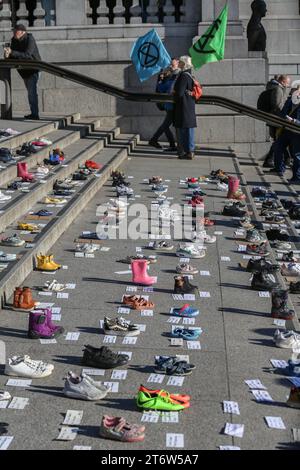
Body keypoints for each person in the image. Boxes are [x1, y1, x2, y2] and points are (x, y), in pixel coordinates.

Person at [4, 24, 41, 120]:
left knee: (32, 93)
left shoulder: (30, 39)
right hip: (24, 71)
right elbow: (14, 56)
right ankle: (33, 113)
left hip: (33, 69)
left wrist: (12, 52)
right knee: (30, 92)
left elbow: (27, 55)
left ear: (22, 32)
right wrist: (7, 54)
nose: (13, 32)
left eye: (15, 31)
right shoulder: (14, 40)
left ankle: (35, 114)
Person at [149, 58, 180, 152]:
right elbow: (161, 88)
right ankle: (170, 144)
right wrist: (161, 79)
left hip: (173, 103)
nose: (170, 64)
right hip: (168, 103)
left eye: (173, 62)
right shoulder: (168, 73)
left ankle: (155, 140)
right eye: (170, 63)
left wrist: (163, 80)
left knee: (166, 124)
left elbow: (167, 87)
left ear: (178, 63)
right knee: (166, 124)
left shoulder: (177, 74)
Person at [261, 74, 291, 167]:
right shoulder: (278, 89)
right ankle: (270, 160)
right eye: (287, 83)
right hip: (276, 119)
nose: (288, 85)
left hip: (274, 119)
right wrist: (287, 111)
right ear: (282, 82)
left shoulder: (277, 88)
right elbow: (277, 105)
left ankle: (285, 159)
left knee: (279, 140)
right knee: (279, 140)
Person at [272, 86, 300, 182]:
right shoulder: (289, 101)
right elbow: (283, 113)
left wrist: (294, 121)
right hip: (286, 130)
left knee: (297, 155)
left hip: (297, 132)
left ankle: (297, 177)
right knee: (277, 146)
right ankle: (279, 168)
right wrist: (283, 116)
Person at [173, 55, 197, 160]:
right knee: (189, 129)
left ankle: (184, 152)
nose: (179, 64)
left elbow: (180, 92)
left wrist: (174, 91)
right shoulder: (190, 75)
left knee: (183, 130)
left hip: (183, 106)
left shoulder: (183, 76)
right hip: (189, 106)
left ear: (184, 64)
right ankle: (190, 151)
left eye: (181, 62)